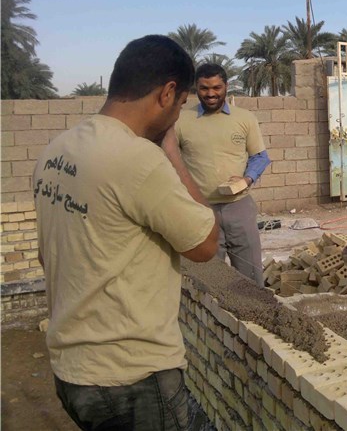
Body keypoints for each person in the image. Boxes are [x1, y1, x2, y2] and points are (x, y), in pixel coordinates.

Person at [34, 35, 220, 430]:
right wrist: (170, 151)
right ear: (168, 93)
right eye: (182, 104)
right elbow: (205, 245)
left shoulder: (57, 150)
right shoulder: (139, 159)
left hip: (72, 373)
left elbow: (46, 253)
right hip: (132, 378)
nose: (177, 118)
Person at [175, 63, 270, 284]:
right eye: (204, 88)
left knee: (251, 278)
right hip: (201, 210)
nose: (211, 94)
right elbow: (168, 160)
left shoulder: (244, 118)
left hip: (239, 207)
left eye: (216, 87)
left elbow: (260, 157)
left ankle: (253, 316)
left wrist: (246, 179)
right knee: (209, 280)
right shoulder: (181, 121)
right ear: (196, 89)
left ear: (226, 86)